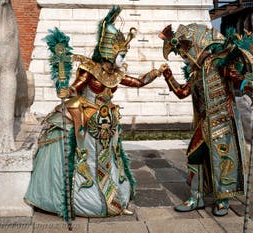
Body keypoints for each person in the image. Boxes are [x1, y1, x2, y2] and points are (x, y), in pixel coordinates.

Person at [24, 6, 168, 219]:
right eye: (121, 53)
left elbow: (137, 82)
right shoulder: (89, 70)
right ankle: (89, 200)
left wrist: (157, 73)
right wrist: (66, 90)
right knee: (87, 158)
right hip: (84, 118)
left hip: (107, 121)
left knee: (111, 158)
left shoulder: (116, 73)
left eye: (124, 53)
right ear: (110, 52)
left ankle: (115, 199)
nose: (123, 56)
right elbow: (75, 88)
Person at [158, 24, 253, 216]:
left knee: (223, 159)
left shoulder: (219, 63)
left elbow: (239, 80)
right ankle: (196, 197)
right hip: (206, 122)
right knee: (194, 154)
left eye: (184, 53)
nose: (185, 56)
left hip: (224, 120)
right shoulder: (196, 73)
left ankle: (222, 199)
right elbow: (182, 92)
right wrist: (168, 78)